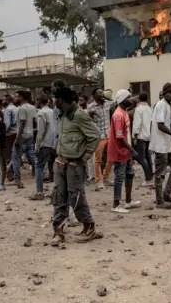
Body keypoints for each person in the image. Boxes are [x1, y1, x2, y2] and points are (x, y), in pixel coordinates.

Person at [50, 86, 102, 247]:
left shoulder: (79, 115)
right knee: (59, 197)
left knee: (76, 197)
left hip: (74, 165)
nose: (53, 101)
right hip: (61, 162)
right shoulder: (63, 115)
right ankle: (58, 230)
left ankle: (89, 227)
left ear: (60, 100)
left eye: (55, 98)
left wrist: (84, 157)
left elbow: (95, 136)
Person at [107, 89, 141, 214]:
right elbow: (119, 137)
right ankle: (116, 204)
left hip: (126, 150)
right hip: (120, 150)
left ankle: (128, 201)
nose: (131, 99)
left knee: (130, 173)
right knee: (119, 177)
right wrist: (132, 150)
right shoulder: (118, 115)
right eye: (129, 97)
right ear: (122, 100)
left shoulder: (124, 112)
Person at [150, 83, 171, 209]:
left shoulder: (169, 105)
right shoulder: (161, 105)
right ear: (164, 93)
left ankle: (166, 194)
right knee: (160, 172)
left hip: (167, 143)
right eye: (170, 92)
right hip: (160, 145)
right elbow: (160, 125)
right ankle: (160, 201)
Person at [86, 88, 114, 190]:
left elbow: (117, 102)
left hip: (109, 134)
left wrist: (108, 96)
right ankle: (99, 180)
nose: (102, 94)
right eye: (100, 93)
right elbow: (86, 119)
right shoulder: (91, 107)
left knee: (111, 157)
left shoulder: (108, 103)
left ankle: (106, 176)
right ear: (94, 96)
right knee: (98, 159)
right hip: (99, 136)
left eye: (102, 92)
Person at [12, 90, 37, 189]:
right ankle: (37, 173)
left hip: (22, 135)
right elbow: (34, 122)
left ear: (22, 97)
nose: (15, 98)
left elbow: (22, 122)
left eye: (17, 96)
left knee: (16, 158)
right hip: (30, 135)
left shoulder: (22, 108)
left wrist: (17, 138)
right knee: (31, 156)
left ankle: (17, 180)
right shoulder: (32, 107)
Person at [33, 93, 56, 200]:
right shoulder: (53, 111)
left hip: (45, 144)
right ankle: (57, 192)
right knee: (56, 168)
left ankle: (39, 192)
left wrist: (37, 146)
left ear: (38, 101)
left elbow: (40, 132)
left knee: (39, 167)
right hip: (55, 143)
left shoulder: (41, 113)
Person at [132, 91, 153, 188]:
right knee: (147, 157)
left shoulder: (138, 109)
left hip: (141, 136)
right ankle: (150, 177)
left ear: (139, 99)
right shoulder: (149, 108)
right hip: (149, 136)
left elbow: (137, 124)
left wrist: (134, 136)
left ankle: (148, 179)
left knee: (141, 157)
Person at [3, 94, 18, 185]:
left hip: (10, 134)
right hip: (16, 132)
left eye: (4, 100)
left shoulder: (8, 109)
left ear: (7, 100)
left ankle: (10, 174)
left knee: (9, 156)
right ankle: (14, 173)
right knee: (15, 154)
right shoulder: (16, 108)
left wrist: (4, 133)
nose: (3, 102)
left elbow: (7, 124)